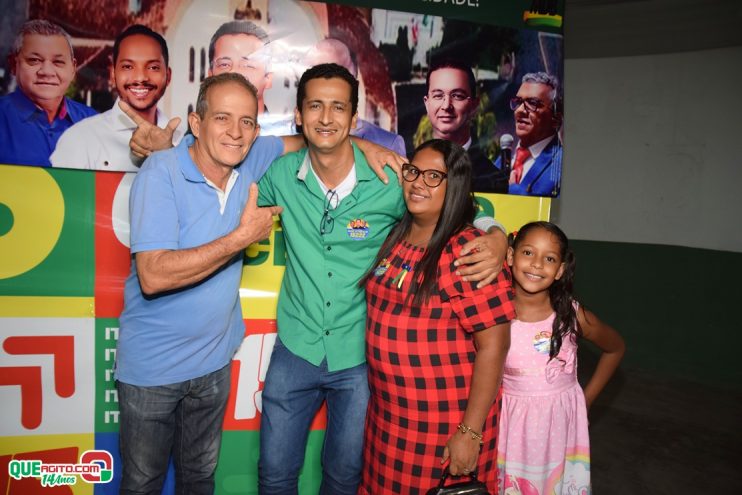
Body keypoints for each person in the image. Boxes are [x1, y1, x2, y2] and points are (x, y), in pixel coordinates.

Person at [256, 63, 507, 494]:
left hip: (359, 356)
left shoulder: (391, 178)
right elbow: (226, 177)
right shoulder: (280, 176)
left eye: (338, 108)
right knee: (274, 473)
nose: (326, 117)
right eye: (315, 106)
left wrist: (496, 234)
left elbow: (457, 204)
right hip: (295, 347)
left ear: (355, 118)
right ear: (298, 114)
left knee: (344, 475)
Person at [115, 72, 283, 494]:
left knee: (199, 479)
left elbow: (317, 141)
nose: (236, 132)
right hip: (153, 371)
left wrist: (374, 149)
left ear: (256, 131)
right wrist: (241, 238)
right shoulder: (161, 172)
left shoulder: (251, 160)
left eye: (247, 121)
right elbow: (153, 275)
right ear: (196, 122)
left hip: (213, 367)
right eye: (222, 118)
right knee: (142, 484)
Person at [359, 139, 515, 493]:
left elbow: (494, 346)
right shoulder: (397, 235)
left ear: (454, 185)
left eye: (433, 176)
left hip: (443, 427)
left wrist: (469, 432)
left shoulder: (468, 251)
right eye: (413, 172)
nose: (418, 183)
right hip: (389, 418)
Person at [498, 221, 625, 494]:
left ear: (560, 270)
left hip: (560, 429)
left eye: (549, 258)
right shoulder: (494, 317)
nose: (537, 264)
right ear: (510, 256)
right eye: (528, 252)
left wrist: (585, 401)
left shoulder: (571, 316)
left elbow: (615, 349)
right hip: (510, 429)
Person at [50, 24, 184, 171]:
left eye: (153, 67)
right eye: (128, 67)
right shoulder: (79, 139)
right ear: (113, 75)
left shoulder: (184, 144)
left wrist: (167, 155)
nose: (140, 78)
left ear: (168, 76)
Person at [0, 19, 96, 167]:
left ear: (73, 69)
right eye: (34, 60)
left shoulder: (93, 122)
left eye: (58, 62)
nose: (47, 72)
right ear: (13, 64)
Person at [303, 37, 406, 155]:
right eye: (319, 76)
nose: (329, 88)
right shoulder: (286, 138)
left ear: (355, 85)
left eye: (339, 77)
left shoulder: (388, 145)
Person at [423, 59, 508, 193]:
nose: (446, 106)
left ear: (474, 106)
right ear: (427, 104)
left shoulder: (494, 180)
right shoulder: (406, 167)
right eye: (438, 95)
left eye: (457, 96)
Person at [209, 20, 293, 136]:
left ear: (268, 78)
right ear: (210, 75)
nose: (235, 73)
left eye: (248, 65)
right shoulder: (193, 141)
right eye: (224, 64)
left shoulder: (285, 138)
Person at [494, 72, 563, 196]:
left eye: (532, 103)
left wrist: (512, 190)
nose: (519, 110)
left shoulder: (563, 165)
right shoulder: (502, 159)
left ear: (556, 119)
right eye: (518, 102)